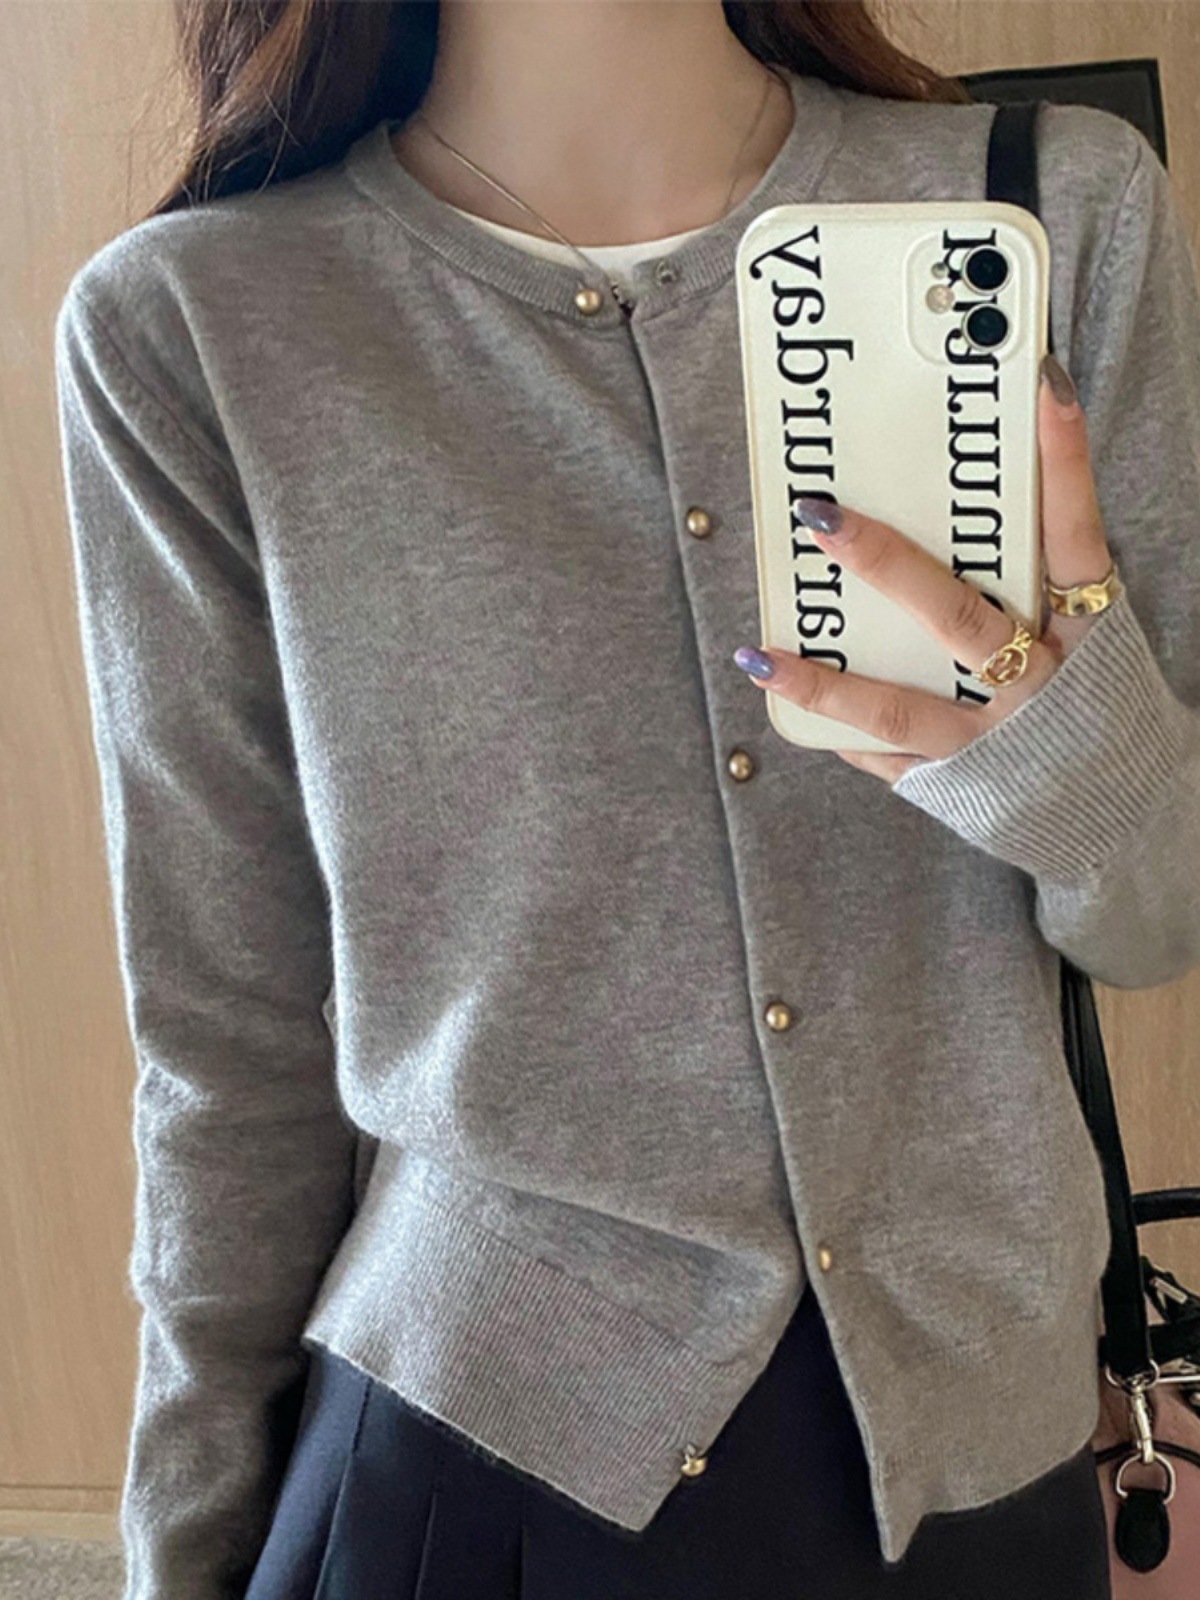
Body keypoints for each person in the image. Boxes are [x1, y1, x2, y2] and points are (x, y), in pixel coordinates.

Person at [53, 1, 1200, 1597]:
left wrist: (1058, 742)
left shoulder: (1055, 208)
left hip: (978, 1446)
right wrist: (183, 1550)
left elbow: (1159, 920)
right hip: (472, 1461)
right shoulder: (199, 321)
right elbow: (227, 1039)